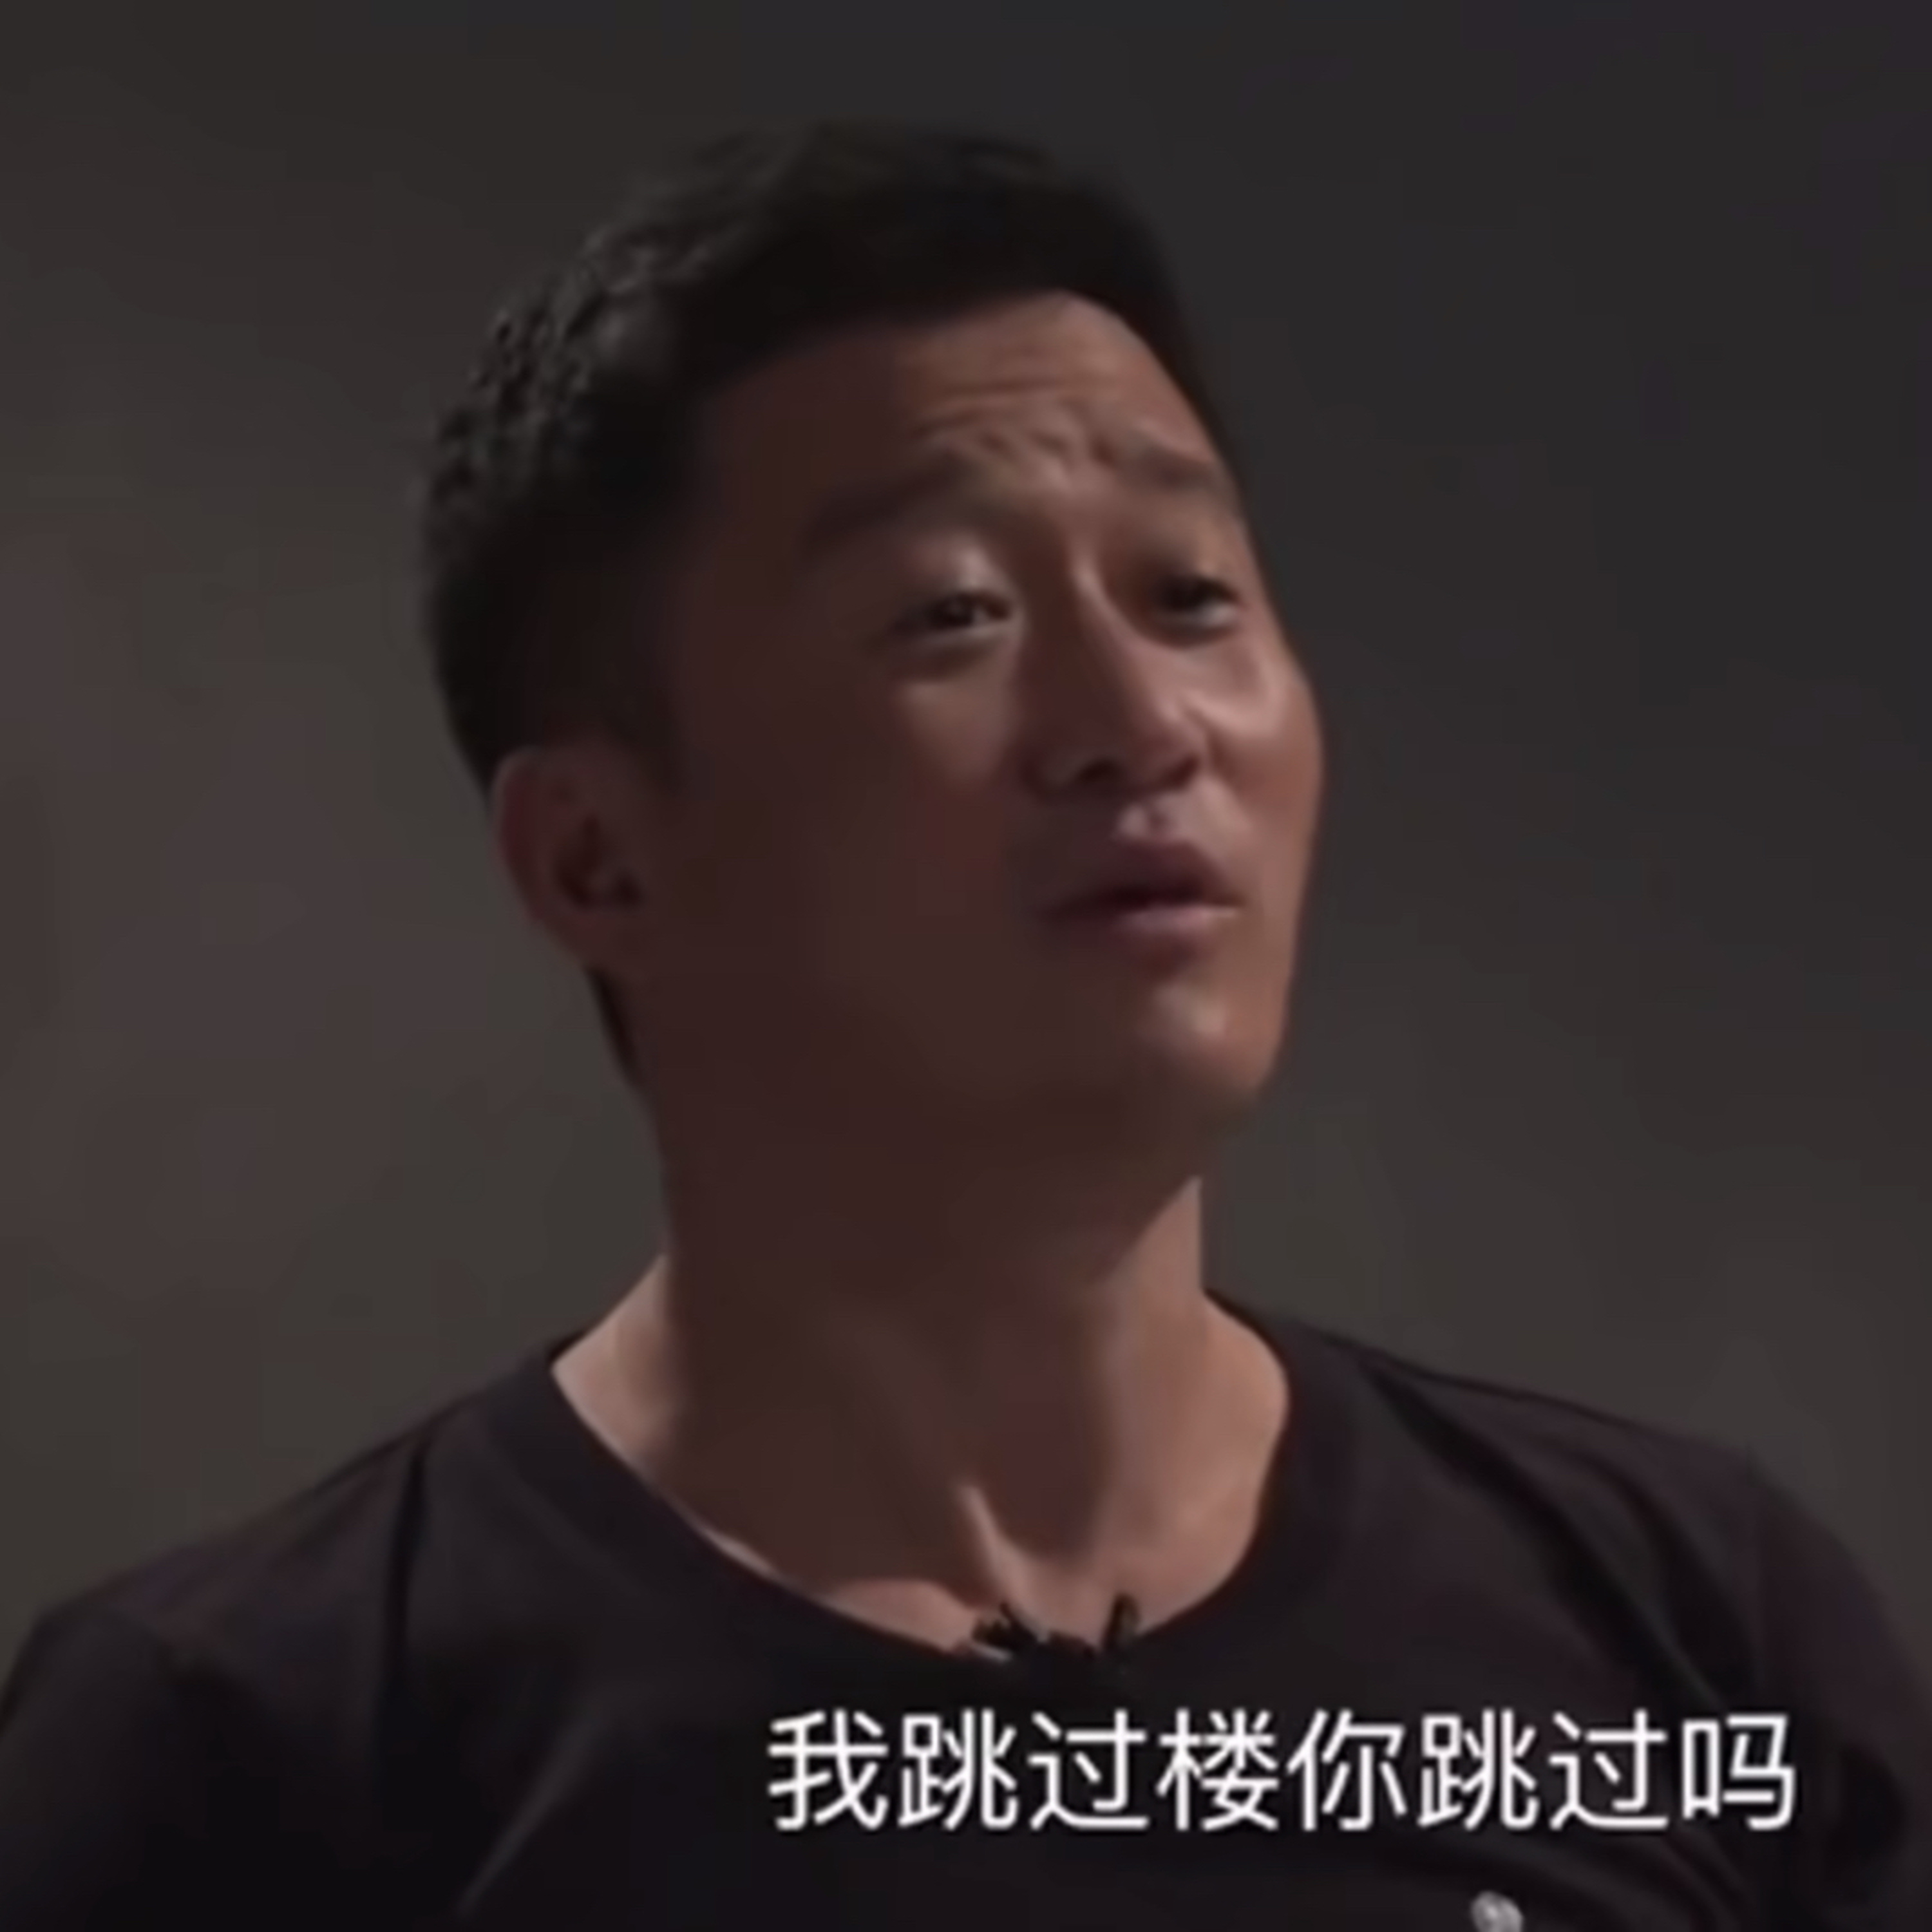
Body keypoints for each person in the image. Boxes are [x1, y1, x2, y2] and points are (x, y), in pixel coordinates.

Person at [0, 119, 1926, 1931]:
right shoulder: (242, 1753)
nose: (1140, 723)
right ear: (597, 858)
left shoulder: (1694, 1632)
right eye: (949, 614)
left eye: (1190, 593)